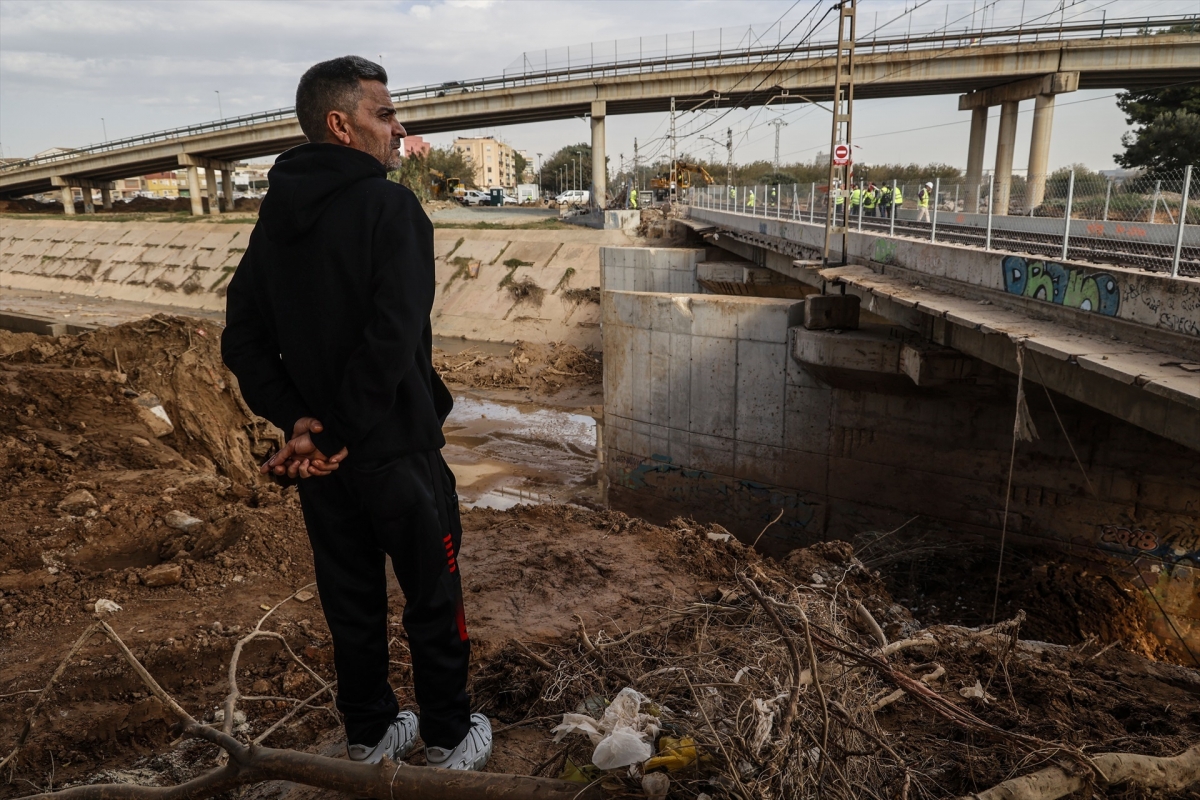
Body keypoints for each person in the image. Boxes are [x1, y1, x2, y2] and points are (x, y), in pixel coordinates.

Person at [221, 56, 492, 771]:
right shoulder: (390, 207)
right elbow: (392, 336)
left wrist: (300, 424)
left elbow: (242, 339)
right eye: (384, 113)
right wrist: (337, 432)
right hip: (394, 450)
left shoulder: (274, 219)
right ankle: (446, 737)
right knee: (435, 596)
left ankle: (370, 733)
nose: (398, 128)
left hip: (323, 464)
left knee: (352, 603)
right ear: (341, 125)